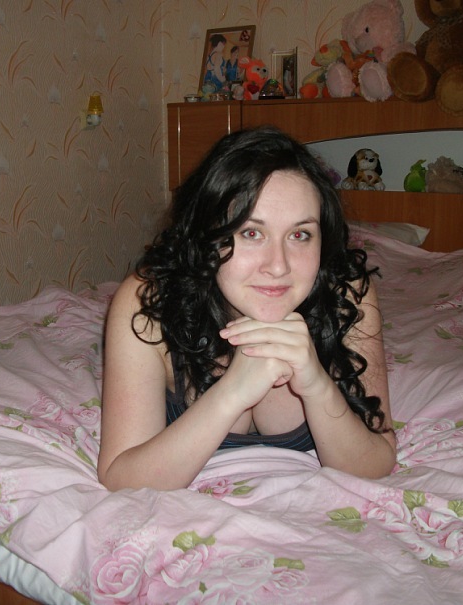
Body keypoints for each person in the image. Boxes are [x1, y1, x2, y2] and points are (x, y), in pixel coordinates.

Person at [97, 127, 395, 491]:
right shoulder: (148, 305)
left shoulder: (346, 295)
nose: (279, 266)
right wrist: (232, 393)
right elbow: (122, 479)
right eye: (251, 233)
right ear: (207, 235)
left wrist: (317, 385)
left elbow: (376, 463)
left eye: (300, 234)